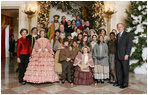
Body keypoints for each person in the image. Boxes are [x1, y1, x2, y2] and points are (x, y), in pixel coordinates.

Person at [114, 23, 132, 89]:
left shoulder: (127, 35)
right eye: (118, 27)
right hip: (118, 56)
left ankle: (125, 83)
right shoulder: (118, 35)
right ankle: (119, 82)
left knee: (125, 70)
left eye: (120, 27)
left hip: (124, 56)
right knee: (118, 70)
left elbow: (129, 45)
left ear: (123, 27)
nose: (119, 28)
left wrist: (127, 54)